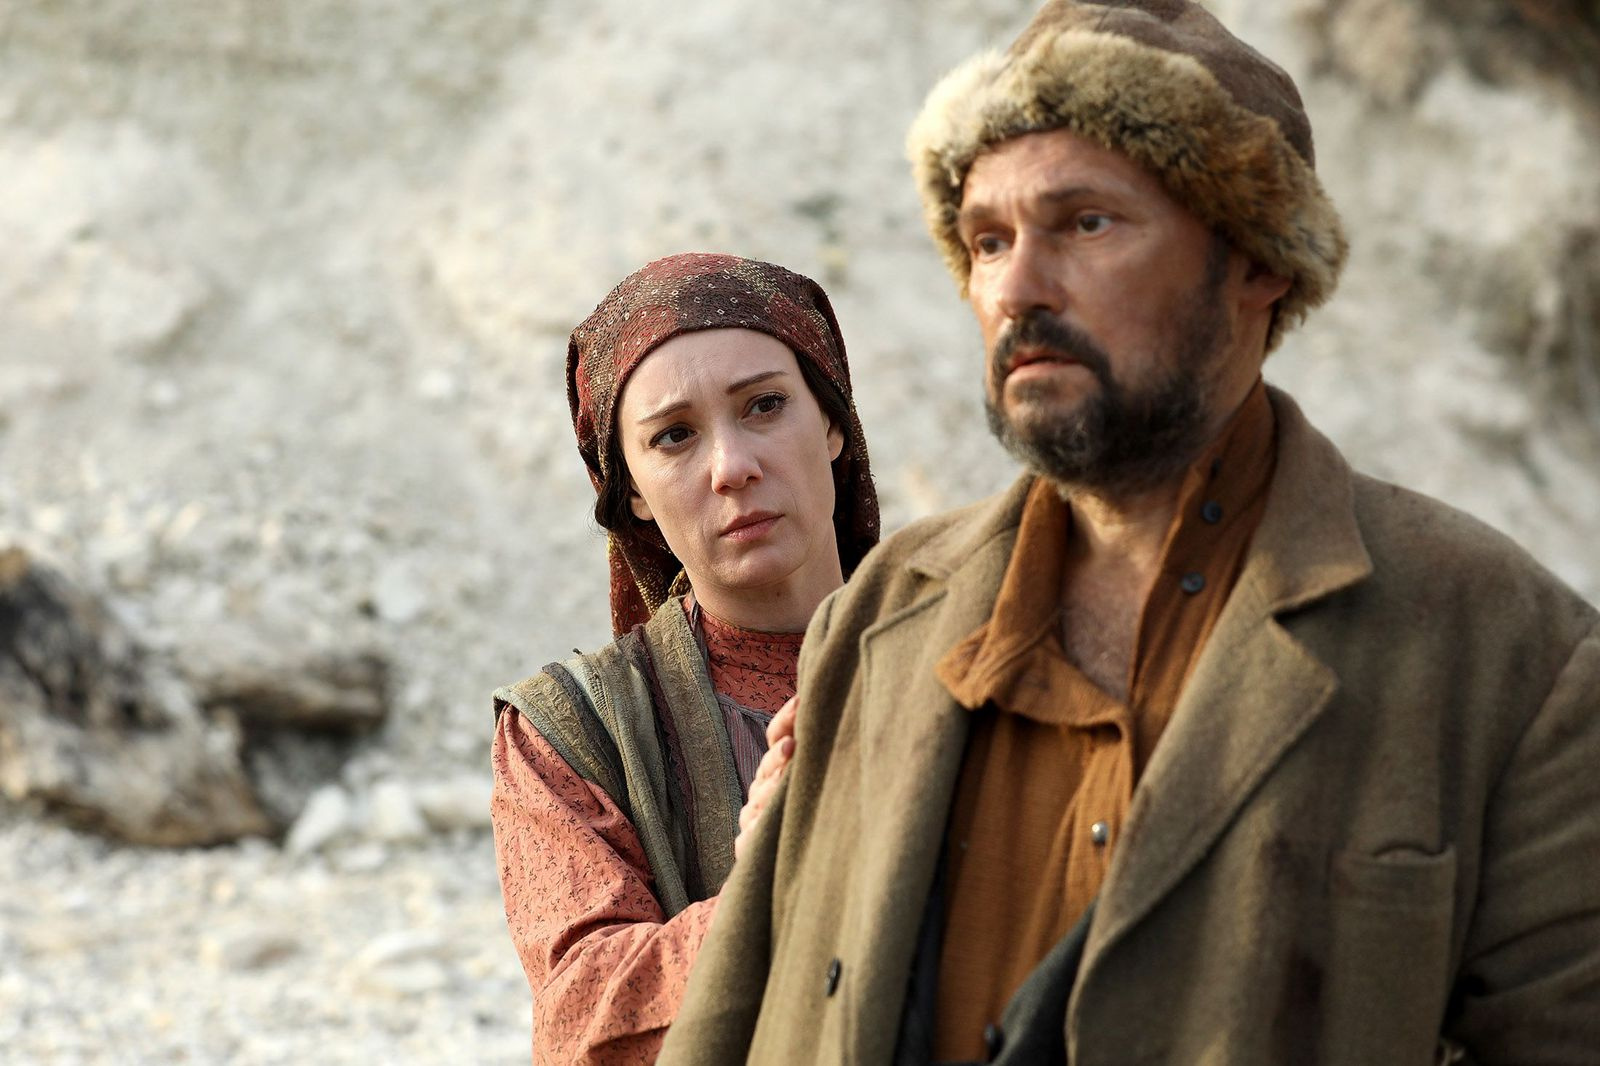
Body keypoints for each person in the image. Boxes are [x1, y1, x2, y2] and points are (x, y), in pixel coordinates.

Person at [658, 3, 1600, 1064]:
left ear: (1258, 261)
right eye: (987, 240)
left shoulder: (1505, 655)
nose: (1017, 288)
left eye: (1086, 223)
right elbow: (734, 1016)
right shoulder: (878, 617)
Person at [490, 252, 878, 1064]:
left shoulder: (975, 652)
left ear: (833, 423)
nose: (733, 467)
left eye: (765, 405)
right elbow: (586, 1019)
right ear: (630, 489)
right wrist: (778, 883)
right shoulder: (569, 735)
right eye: (674, 436)